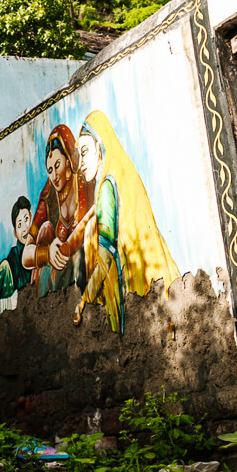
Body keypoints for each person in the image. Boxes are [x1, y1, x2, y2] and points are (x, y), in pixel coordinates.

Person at [73, 110, 180, 334]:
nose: (80, 163)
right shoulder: (123, 176)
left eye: (85, 152)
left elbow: (106, 255)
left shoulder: (106, 188)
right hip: (164, 291)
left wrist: (85, 299)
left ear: (100, 149)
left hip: (143, 299)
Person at [22, 124, 92, 299]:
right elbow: (25, 256)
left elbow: (94, 213)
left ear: (68, 160)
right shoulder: (47, 196)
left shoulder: (84, 178)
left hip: (84, 267)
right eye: (49, 170)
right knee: (45, 228)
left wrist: (69, 245)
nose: (53, 176)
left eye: (57, 165)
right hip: (57, 277)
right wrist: (47, 253)